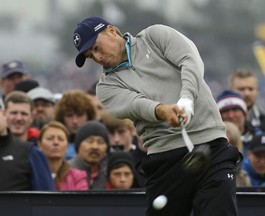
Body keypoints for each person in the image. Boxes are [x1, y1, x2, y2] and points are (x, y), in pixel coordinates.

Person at [72, 16, 240, 216]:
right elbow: (137, 105)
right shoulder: (106, 87)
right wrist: (163, 110)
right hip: (165, 162)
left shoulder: (155, 36)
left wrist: (187, 99)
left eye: (97, 48)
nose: (97, 57)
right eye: (91, 55)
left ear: (112, 31)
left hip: (211, 147)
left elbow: (190, 60)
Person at [228, 68, 265, 160]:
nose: (246, 93)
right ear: (230, 90)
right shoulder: (219, 122)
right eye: (241, 89)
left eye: (250, 89)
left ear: (257, 91)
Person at [0, 98, 54, 191]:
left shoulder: (30, 152)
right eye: (14, 113)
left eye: (24, 114)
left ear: (4, 114)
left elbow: (47, 200)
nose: (18, 118)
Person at [38, 121, 88, 191]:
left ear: (67, 146)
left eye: (61, 139)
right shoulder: (32, 174)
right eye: (50, 138)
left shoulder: (77, 176)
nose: (56, 142)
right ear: (39, 144)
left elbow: (82, 201)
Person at [54, 89, 96, 160]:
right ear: (62, 118)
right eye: (69, 116)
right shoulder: (55, 144)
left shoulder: (98, 144)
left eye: (80, 115)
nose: (75, 121)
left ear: (88, 116)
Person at [69, 120, 109, 190]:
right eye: (90, 141)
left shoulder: (108, 174)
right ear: (78, 146)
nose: (95, 147)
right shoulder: (66, 171)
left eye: (100, 142)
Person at [224, 121, 251, 187]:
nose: (227, 151)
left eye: (231, 145)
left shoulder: (243, 177)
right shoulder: (206, 175)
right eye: (224, 146)